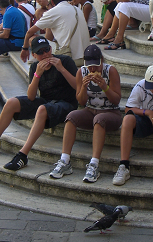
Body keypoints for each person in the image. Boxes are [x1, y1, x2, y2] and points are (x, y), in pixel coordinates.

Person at [0, 37, 78, 171]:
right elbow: (31, 96)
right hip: (47, 102)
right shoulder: (35, 67)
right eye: (40, 52)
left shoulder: (65, 61)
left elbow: (77, 87)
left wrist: (61, 69)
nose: (45, 54)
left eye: (47, 50)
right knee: (11, 102)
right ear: (34, 55)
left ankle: (23, 155)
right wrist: (37, 75)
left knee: (43, 109)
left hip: (66, 103)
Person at [50, 45, 122, 183]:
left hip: (110, 112)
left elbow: (117, 100)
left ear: (101, 60)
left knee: (99, 119)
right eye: (90, 66)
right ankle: (65, 161)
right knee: (71, 117)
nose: (93, 69)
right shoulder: (81, 72)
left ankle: (94, 164)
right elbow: (81, 101)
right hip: (90, 110)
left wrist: (104, 87)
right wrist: (83, 87)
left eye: (95, 66)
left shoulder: (111, 71)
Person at [21, 0, 90, 65]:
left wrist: (25, 48)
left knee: (32, 39)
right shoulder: (77, 10)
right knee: (50, 26)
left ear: (52, 2)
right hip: (86, 58)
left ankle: (39, 59)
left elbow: (29, 32)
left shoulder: (53, 12)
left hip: (69, 58)